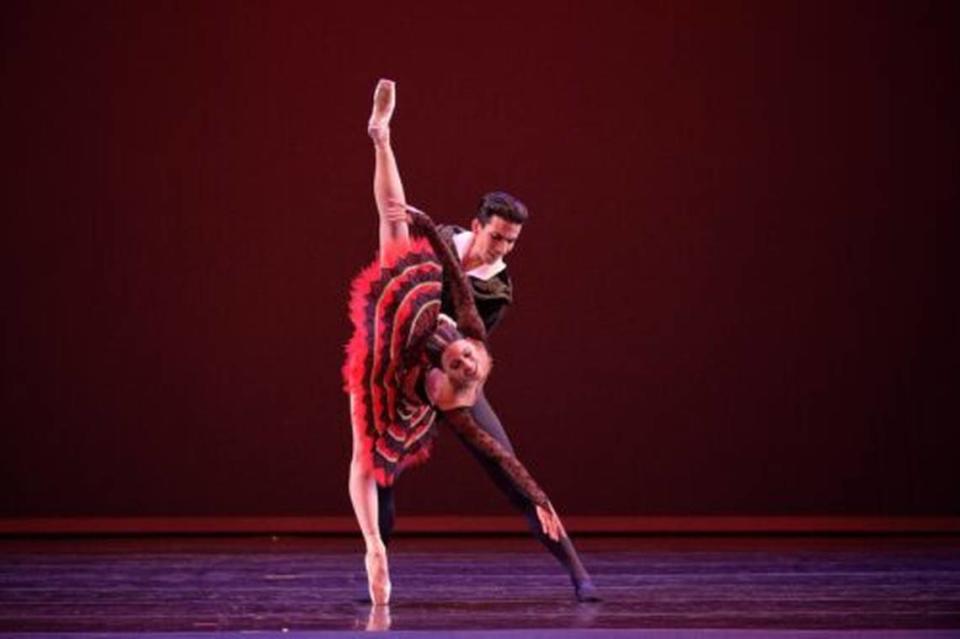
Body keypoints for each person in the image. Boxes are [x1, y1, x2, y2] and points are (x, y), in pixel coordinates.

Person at [344, 79, 598, 605]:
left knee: (502, 456)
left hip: (452, 367)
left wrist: (456, 379)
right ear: (478, 225)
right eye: (497, 236)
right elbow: (434, 281)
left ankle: (576, 570)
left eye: (511, 242)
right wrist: (432, 239)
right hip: (403, 353)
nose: (503, 247)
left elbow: (469, 341)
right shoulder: (440, 237)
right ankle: (377, 558)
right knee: (379, 464)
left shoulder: (499, 288)